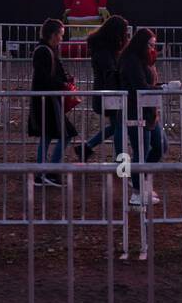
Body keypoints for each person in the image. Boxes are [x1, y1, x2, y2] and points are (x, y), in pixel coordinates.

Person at [119, 27, 167, 207]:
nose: (152, 48)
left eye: (154, 45)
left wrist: (163, 86)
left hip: (149, 110)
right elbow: (140, 85)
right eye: (150, 44)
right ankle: (137, 191)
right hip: (136, 110)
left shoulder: (144, 60)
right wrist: (164, 89)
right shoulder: (131, 60)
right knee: (142, 149)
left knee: (160, 146)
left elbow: (148, 83)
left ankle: (140, 180)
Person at [27, 18, 77, 186]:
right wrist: (62, 83)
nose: (61, 39)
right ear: (53, 35)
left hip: (47, 100)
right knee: (64, 134)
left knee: (48, 136)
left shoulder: (45, 50)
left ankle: (44, 173)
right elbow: (44, 78)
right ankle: (50, 172)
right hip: (47, 101)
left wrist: (64, 81)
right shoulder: (44, 51)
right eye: (60, 35)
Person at [79, 15, 129, 160]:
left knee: (116, 127)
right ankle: (121, 163)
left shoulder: (103, 49)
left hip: (108, 93)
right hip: (109, 95)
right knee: (119, 127)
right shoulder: (104, 52)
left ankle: (86, 147)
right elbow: (110, 74)